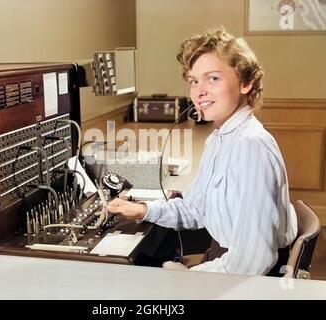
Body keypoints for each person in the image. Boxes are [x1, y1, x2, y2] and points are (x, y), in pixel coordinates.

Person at [106, 27, 297, 276]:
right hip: (228, 261)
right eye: (194, 80)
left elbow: (254, 260)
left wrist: (190, 279)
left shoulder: (252, 146)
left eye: (213, 78)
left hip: (247, 277)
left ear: (246, 82)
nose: (199, 91)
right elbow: (196, 209)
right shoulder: (219, 138)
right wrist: (144, 210)